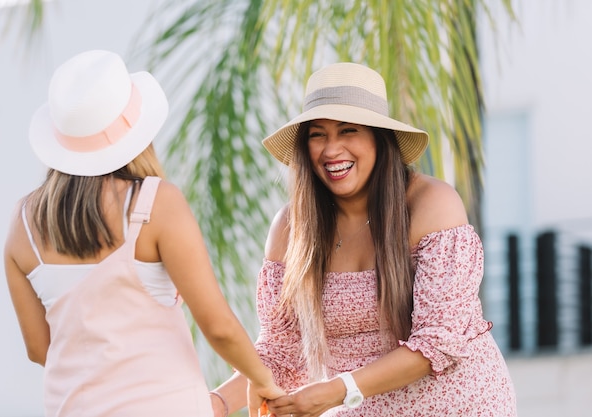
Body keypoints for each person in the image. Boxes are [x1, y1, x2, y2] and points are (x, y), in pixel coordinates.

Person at [210, 62, 517, 416]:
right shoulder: (290, 229)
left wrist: (340, 390)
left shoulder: (430, 205)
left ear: (378, 138)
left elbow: (439, 341)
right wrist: (212, 404)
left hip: (459, 405)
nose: (331, 149)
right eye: (317, 134)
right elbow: (281, 352)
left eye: (348, 130)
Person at [4, 49, 284, 417]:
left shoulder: (22, 224)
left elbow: (40, 349)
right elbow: (218, 327)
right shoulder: (154, 204)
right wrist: (262, 381)